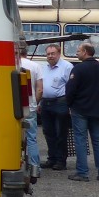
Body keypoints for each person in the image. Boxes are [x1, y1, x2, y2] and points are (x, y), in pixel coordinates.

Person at [65, 42, 99, 181]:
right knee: (98, 140)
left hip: (80, 109)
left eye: (79, 51)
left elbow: (71, 90)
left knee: (80, 140)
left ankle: (82, 172)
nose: (76, 53)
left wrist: (70, 104)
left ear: (85, 52)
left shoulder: (78, 69)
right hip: (97, 110)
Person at [39, 43, 72, 171]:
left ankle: (60, 161)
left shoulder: (67, 67)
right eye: (48, 54)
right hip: (45, 102)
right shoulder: (44, 67)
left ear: (59, 53)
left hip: (60, 102)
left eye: (53, 53)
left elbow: (71, 86)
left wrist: (69, 105)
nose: (50, 56)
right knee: (48, 132)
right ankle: (51, 158)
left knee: (60, 133)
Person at [19, 41, 43, 180]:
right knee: (31, 138)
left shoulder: (10, 63)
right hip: (30, 107)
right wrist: (35, 102)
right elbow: (40, 89)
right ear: (26, 52)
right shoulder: (35, 66)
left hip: (13, 108)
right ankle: (35, 168)